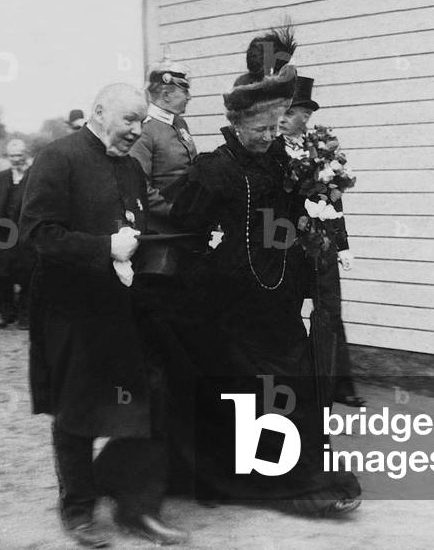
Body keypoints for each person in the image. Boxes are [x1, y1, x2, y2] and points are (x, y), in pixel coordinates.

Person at [166, 27, 361, 515]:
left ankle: (303, 472)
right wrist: (209, 273)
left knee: (293, 378)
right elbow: (186, 232)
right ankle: (281, 484)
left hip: (279, 291)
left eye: (276, 127)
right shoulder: (213, 169)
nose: (271, 136)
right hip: (231, 301)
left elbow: (291, 216)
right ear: (235, 122)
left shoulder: (282, 163)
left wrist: (314, 215)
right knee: (255, 388)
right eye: (261, 129)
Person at [20, 84, 188, 548]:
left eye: (141, 121)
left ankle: (138, 508)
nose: (136, 130)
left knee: (150, 397)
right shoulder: (58, 158)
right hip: (69, 309)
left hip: (123, 308)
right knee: (76, 409)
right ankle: (78, 512)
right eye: (129, 119)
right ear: (98, 112)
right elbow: (38, 234)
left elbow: (137, 231)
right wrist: (103, 247)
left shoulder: (131, 167)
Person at [279, 76, 364, 408]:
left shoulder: (322, 148)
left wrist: (343, 245)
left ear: (306, 116)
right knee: (287, 311)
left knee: (329, 310)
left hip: (322, 243)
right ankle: (296, 382)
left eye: (291, 113)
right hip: (286, 242)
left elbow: (335, 198)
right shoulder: (272, 149)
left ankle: (337, 384)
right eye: (280, 112)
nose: (282, 119)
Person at [128, 61, 197, 234]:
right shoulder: (144, 130)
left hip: (186, 223)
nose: (189, 97)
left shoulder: (179, 123)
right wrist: (174, 212)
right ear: (166, 95)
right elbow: (140, 186)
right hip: (161, 231)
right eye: (185, 92)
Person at [0, 138, 33, 329]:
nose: (16, 159)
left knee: (27, 275)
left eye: (19, 155)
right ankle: (6, 315)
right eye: (12, 156)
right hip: (3, 235)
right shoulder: (0, 178)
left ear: (26, 155)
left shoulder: (35, 177)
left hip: (26, 236)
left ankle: (25, 316)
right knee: (3, 275)